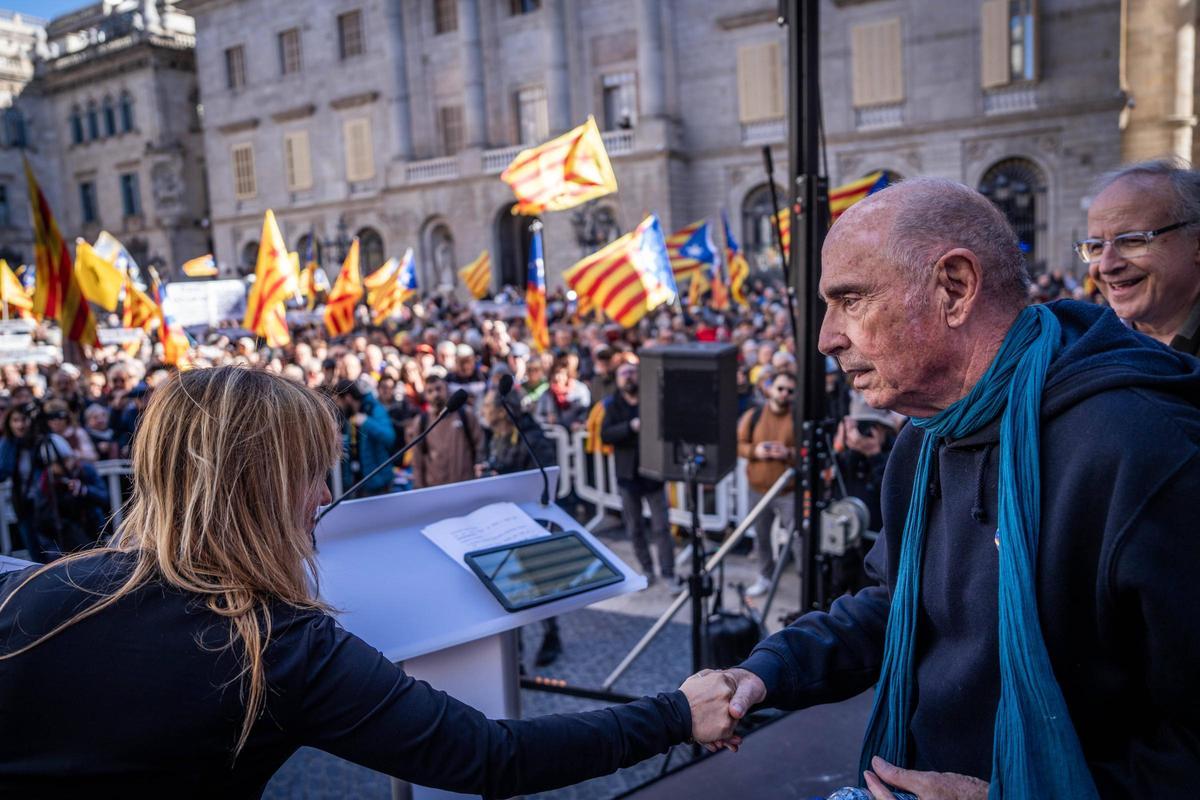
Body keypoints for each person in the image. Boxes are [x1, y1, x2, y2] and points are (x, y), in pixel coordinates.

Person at [0, 367, 740, 796]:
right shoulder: (276, 647)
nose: (324, 497)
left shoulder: (35, 593)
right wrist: (675, 714)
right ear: (260, 486)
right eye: (310, 475)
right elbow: (489, 756)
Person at [708, 177, 1200, 798]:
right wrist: (766, 672)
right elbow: (899, 603)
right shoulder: (925, 435)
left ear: (955, 288)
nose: (826, 338)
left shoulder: (1144, 446)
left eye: (851, 300)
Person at [1080, 158, 1200, 354]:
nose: (1106, 266)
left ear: (1197, 244)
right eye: (1096, 247)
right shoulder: (1082, 346)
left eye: (1132, 241)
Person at [600, 359, 678, 590]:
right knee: (634, 528)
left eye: (632, 372)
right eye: (623, 373)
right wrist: (630, 427)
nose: (628, 377)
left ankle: (668, 572)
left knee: (661, 527)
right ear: (617, 379)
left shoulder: (651, 400)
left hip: (652, 474)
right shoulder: (612, 405)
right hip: (627, 476)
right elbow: (606, 434)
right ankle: (647, 569)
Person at [735, 370, 797, 597]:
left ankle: (803, 578)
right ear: (770, 388)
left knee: (796, 537)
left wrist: (788, 452)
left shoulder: (797, 417)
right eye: (780, 388)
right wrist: (756, 451)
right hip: (758, 490)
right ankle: (765, 577)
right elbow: (739, 445)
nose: (784, 394)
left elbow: (807, 450)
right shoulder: (754, 415)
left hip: (788, 491)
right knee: (761, 538)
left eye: (789, 391)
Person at [409, 373, 482, 489]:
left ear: (446, 389)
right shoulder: (421, 422)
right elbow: (417, 459)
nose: (435, 394)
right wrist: (419, 488)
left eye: (439, 389)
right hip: (436, 488)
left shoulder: (465, 414)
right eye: (430, 391)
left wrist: (479, 475)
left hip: (466, 484)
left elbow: (480, 445)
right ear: (425, 396)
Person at [333, 379, 396, 497]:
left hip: (379, 484)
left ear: (348, 398)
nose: (339, 407)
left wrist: (367, 422)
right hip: (357, 484)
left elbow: (389, 437)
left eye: (339, 402)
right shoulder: (349, 417)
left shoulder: (374, 409)